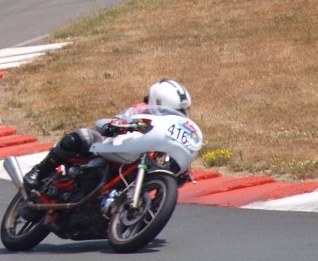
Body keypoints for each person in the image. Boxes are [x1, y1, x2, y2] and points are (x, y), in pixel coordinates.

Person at [21, 79, 193, 191]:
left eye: (182, 111)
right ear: (159, 102)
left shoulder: (172, 129)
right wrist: (118, 125)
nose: (180, 115)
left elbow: (177, 153)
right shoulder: (140, 110)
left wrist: (181, 171)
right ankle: (39, 171)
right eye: (176, 110)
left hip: (135, 171)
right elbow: (118, 120)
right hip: (113, 149)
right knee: (82, 137)